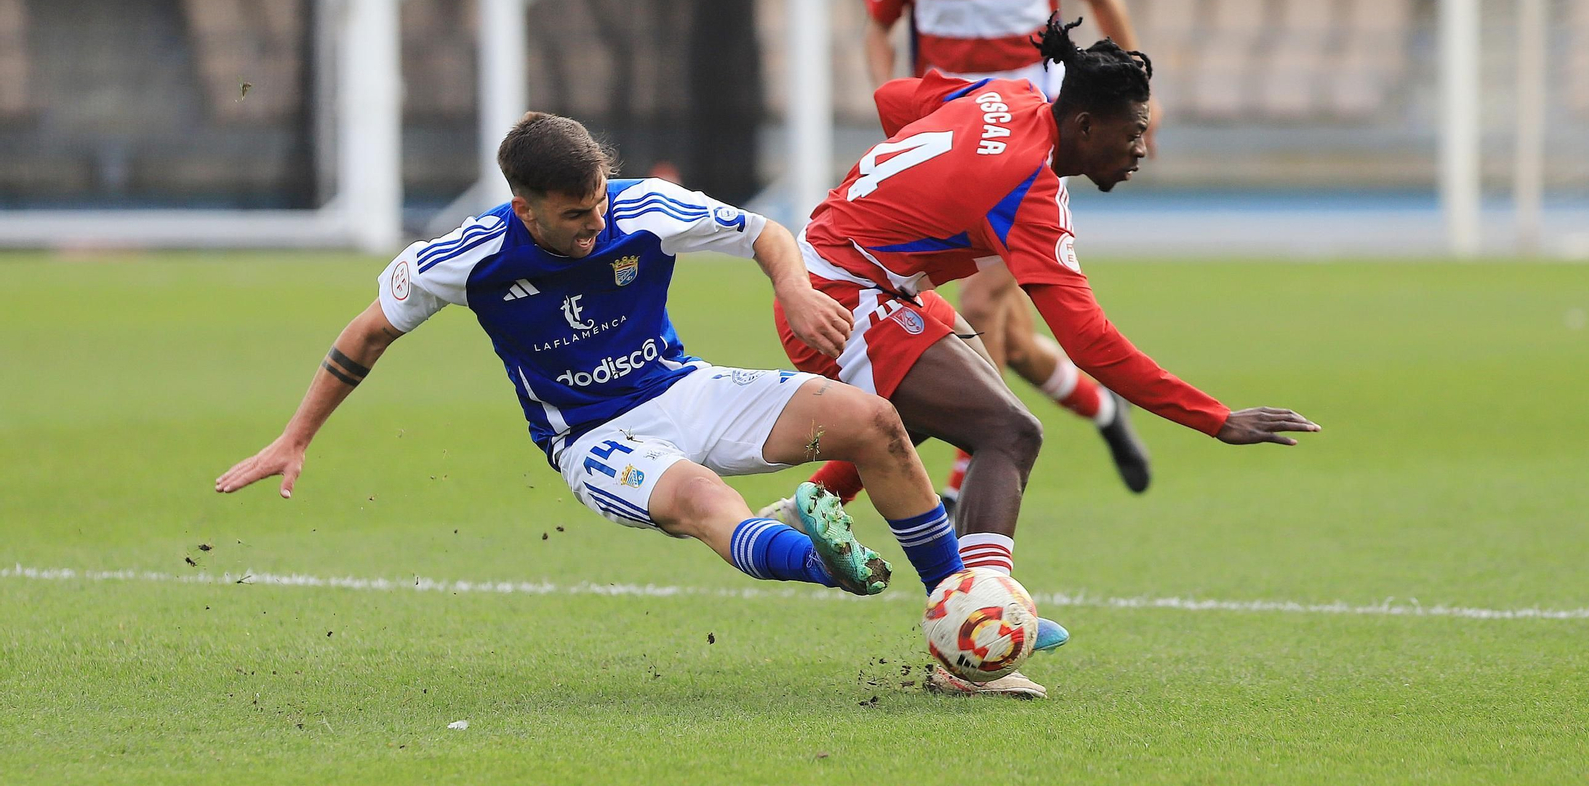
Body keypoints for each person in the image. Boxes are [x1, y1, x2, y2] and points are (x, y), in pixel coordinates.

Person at [216, 112, 1040, 690]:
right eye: (575, 214)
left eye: (600, 199)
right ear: (523, 207)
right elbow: (364, 336)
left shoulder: (642, 206)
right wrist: (295, 439)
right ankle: (819, 562)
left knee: (875, 423)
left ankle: (956, 624)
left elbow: (764, 232)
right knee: (699, 498)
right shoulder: (463, 258)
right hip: (593, 436)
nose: (596, 220)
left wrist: (791, 288)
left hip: (685, 387)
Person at [765, 16, 1320, 693]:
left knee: (972, 395)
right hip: (838, 298)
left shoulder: (1008, 94)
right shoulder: (1029, 187)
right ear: (1084, 125)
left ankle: (814, 506)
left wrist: (932, 185)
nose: (1144, 148)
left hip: (856, 267)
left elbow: (895, 102)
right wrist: (1215, 418)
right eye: (1134, 132)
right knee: (1008, 429)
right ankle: (977, 638)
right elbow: (1091, 342)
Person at [861, 0, 1157, 497]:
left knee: (981, 309)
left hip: (1027, 150)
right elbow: (877, 24)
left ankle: (967, 477)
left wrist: (1132, 97)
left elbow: (1106, 0)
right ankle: (1105, 411)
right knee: (1013, 342)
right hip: (948, 146)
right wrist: (891, 100)